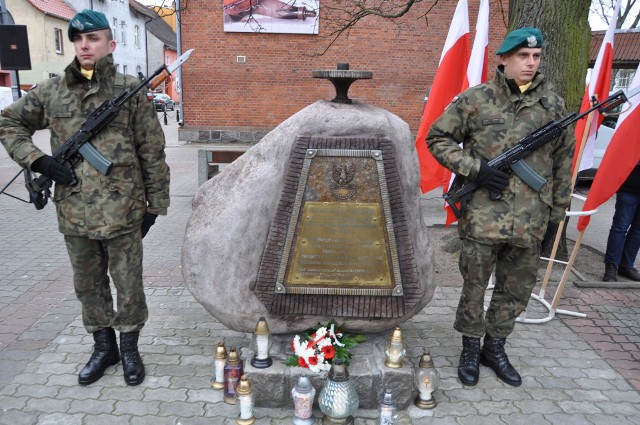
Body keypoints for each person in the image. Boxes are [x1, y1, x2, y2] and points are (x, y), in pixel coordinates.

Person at [0, 10, 170, 386]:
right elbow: (8, 123)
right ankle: (103, 347)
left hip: (124, 209)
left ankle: (129, 349)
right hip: (75, 212)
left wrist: (155, 206)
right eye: (78, 39)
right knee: (88, 285)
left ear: (111, 44)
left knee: (128, 285)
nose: (84, 45)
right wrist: (38, 159)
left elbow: (152, 152)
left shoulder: (130, 92)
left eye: (93, 38)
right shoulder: (52, 90)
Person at [427, 28, 574, 387]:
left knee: (516, 288)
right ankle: (470, 348)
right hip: (482, 216)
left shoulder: (553, 106)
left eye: (536, 57)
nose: (531, 63)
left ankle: (495, 347)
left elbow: (562, 165)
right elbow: (436, 138)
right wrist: (476, 169)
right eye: (523, 56)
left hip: (530, 219)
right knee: (474, 286)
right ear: (504, 59)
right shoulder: (477, 99)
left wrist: (556, 217)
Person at [603, 163, 640, 282]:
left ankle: (626, 266)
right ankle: (611, 267)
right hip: (629, 186)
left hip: (629, 185)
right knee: (620, 228)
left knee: (637, 230)